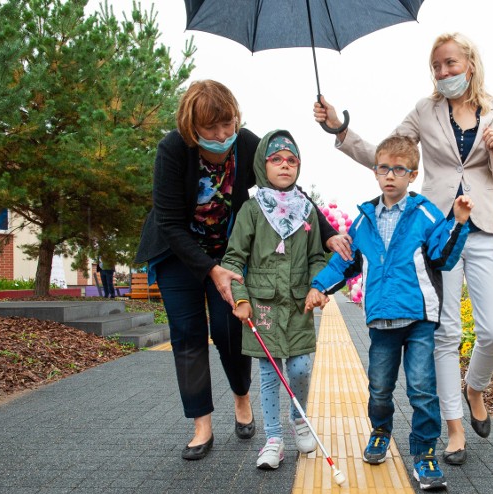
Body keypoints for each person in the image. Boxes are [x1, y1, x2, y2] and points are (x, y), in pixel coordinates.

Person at [314, 32, 493, 465]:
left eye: (450, 64)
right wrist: (340, 129)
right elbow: (386, 153)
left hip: (481, 227)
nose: (443, 73)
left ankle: (475, 388)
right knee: (444, 332)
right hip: (434, 231)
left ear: (470, 61)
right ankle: (453, 428)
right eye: (436, 66)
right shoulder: (424, 111)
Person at [134, 80, 350, 460]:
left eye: (228, 124)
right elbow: (168, 222)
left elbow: (289, 195)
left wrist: (329, 234)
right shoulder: (172, 150)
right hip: (178, 252)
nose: (222, 135)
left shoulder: (247, 144)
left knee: (229, 329)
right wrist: (208, 269)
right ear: (192, 128)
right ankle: (201, 425)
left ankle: (242, 398)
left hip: (230, 252)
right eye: (211, 129)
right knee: (188, 334)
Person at [306, 136, 473, 490]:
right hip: (381, 320)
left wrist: (458, 222)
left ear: (412, 175)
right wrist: (320, 286)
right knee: (380, 387)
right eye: (384, 168)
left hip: (418, 320)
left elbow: (443, 257)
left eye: (400, 169)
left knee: (422, 389)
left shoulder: (425, 213)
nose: (391, 176)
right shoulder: (365, 220)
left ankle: (424, 454)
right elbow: (345, 261)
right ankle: (380, 431)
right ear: (375, 172)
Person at [222, 130, 326, 470]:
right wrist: (240, 297)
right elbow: (234, 259)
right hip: (262, 306)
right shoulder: (252, 210)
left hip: (298, 305)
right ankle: (273, 439)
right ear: (262, 164)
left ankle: (299, 418)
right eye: (276, 159)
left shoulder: (307, 211)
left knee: (300, 368)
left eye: (292, 160)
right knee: (268, 375)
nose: (285, 165)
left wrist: (317, 285)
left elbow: (317, 258)